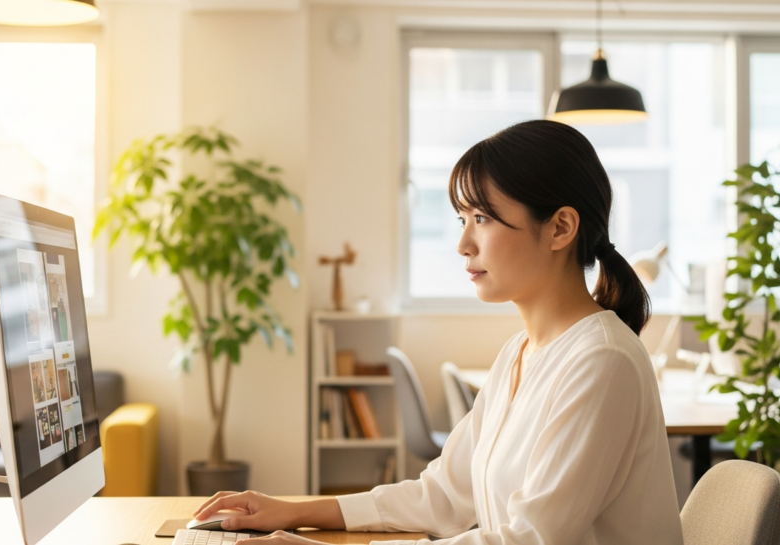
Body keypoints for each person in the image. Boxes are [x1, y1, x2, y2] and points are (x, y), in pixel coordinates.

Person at [193, 120, 683, 544]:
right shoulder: (520, 352)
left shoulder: (602, 360)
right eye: (463, 219)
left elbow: (530, 539)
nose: (463, 243)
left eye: (482, 218)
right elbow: (443, 495)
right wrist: (294, 511)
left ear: (560, 228)